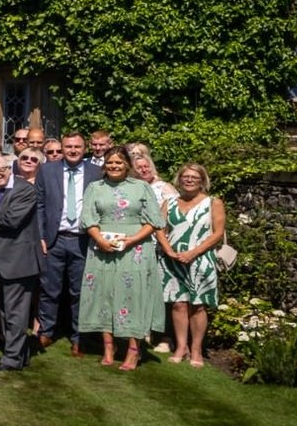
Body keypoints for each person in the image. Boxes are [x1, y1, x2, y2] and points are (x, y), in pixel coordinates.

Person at [77, 147, 165, 371]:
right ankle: (108, 347)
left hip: (134, 249)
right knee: (104, 294)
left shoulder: (141, 187)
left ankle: (133, 351)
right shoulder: (95, 187)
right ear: (104, 165)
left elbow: (154, 221)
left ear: (128, 165)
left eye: (118, 163)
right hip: (102, 248)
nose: (114, 166)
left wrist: (132, 240)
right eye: (110, 163)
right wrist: (100, 239)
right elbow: (88, 217)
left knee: (132, 296)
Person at [36, 132, 101, 355]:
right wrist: (41, 236)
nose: (73, 150)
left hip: (83, 240)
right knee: (49, 289)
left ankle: (78, 337)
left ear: (85, 149)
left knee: (80, 292)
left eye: (77, 147)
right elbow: (40, 205)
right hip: (55, 239)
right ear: (62, 148)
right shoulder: (47, 170)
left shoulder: (96, 172)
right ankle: (46, 331)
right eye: (68, 146)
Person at [158, 162, 225, 367]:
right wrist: (169, 250)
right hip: (173, 259)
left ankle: (196, 350)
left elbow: (218, 233)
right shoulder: (169, 202)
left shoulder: (213, 203)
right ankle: (180, 347)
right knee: (178, 304)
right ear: (179, 179)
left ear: (202, 181)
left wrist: (193, 252)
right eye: (185, 177)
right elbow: (159, 228)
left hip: (201, 259)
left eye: (194, 177)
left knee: (198, 305)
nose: (189, 180)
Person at [0, 152, 41, 371]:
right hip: (4, 260)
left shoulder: (24, 189)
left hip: (19, 261)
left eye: (0, 170)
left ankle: (12, 359)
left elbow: (11, 220)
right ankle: (19, 354)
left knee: (15, 312)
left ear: (10, 168)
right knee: (7, 311)